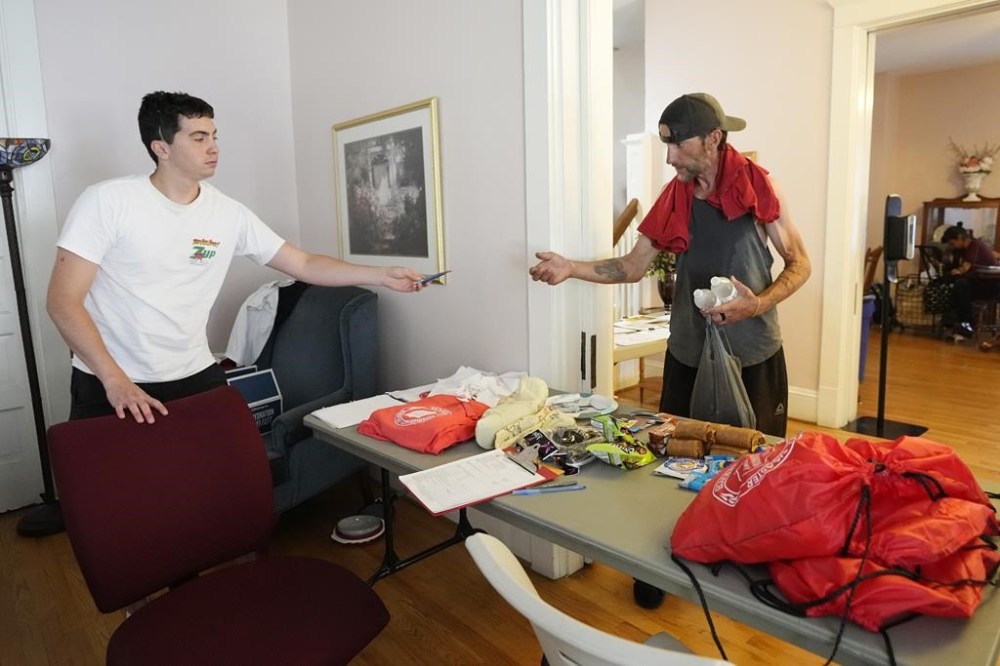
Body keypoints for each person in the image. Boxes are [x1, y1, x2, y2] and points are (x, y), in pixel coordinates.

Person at [27, 91, 427, 536]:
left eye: (214, 135)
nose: (214, 146)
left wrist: (379, 274)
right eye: (199, 137)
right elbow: (62, 301)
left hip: (194, 374)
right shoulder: (108, 202)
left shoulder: (226, 212)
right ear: (161, 146)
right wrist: (115, 379)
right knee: (122, 514)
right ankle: (138, 603)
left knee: (220, 490)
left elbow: (304, 264)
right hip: (111, 381)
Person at [530, 92, 810, 438]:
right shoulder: (673, 195)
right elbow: (633, 266)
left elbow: (800, 264)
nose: (669, 157)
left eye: (678, 144)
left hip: (753, 355)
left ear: (714, 139)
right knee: (677, 457)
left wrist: (758, 304)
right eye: (667, 145)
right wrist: (571, 267)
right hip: (687, 354)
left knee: (754, 462)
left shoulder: (760, 187)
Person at [941, 224, 998, 338]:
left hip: (991, 286)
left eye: (953, 243)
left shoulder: (974, 246)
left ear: (960, 237)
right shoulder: (966, 249)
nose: (953, 246)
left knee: (960, 285)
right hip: (979, 282)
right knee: (957, 286)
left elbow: (967, 268)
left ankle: (965, 323)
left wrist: (958, 271)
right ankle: (957, 323)